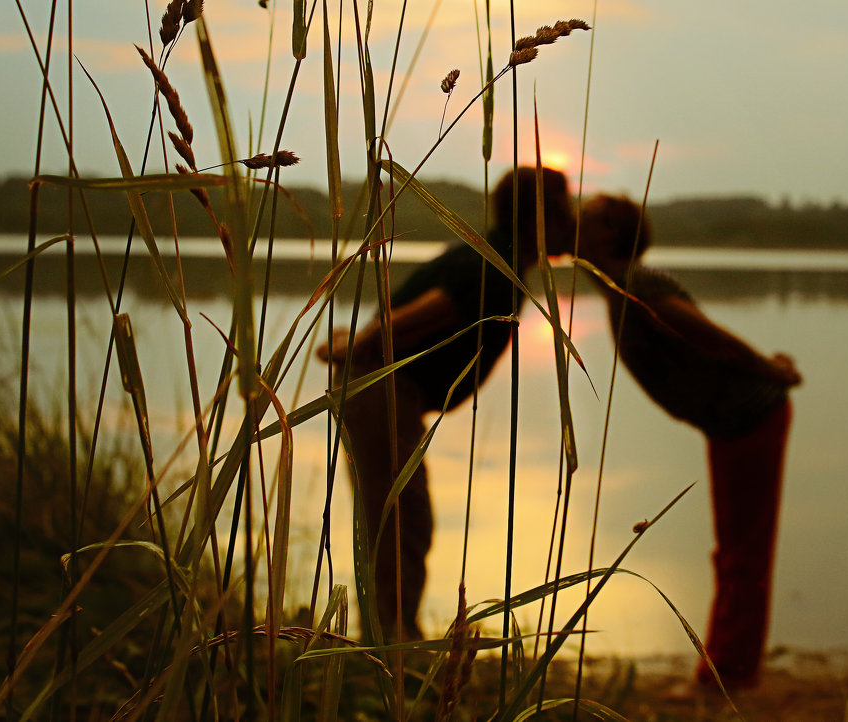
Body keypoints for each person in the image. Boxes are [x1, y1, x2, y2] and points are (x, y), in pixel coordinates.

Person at [317, 167, 576, 641]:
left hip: (387, 389)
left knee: (397, 516)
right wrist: (348, 348)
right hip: (382, 387)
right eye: (567, 207)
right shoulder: (491, 267)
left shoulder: (493, 257)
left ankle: (388, 638)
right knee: (398, 518)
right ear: (545, 215)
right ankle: (391, 643)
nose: (573, 217)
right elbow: (409, 321)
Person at [576, 195, 802, 690]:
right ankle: (725, 666)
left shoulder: (640, 285)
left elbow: (710, 337)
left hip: (751, 418)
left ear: (610, 236)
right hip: (728, 424)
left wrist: (774, 370)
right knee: (733, 550)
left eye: (585, 220)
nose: (573, 224)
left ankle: (731, 673)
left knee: (744, 552)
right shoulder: (618, 288)